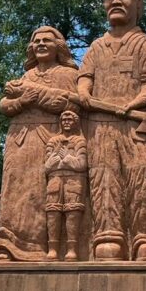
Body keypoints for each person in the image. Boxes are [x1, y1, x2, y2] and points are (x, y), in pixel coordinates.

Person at [77, 0, 146, 261]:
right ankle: (108, 238)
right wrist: (84, 93)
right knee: (104, 179)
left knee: (144, 177)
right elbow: (84, 78)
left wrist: (132, 105)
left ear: (139, 4)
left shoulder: (145, 45)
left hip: (138, 124)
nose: (115, 1)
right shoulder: (96, 47)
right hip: (101, 125)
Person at [0, 26, 80, 261]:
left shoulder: (68, 75)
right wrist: (23, 100)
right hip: (19, 138)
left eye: (47, 41)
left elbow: (69, 103)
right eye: (36, 41)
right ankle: (8, 245)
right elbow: (5, 105)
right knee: (14, 188)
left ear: (58, 47)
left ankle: (42, 248)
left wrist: (34, 95)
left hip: (48, 138)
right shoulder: (26, 76)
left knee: (41, 192)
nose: (40, 44)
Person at [43, 110, 88, 260]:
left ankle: (72, 250)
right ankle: (53, 249)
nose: (67, 122)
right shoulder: (53, 141)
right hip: (55, 178)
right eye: (64, 119)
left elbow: (81, 164)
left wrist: (66, 158)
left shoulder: (80, 141)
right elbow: (47, 166)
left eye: (70, 119)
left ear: (76, 122)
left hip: (74, 179)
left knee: (73, 211)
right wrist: (57, 157)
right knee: (52, 211)